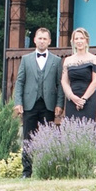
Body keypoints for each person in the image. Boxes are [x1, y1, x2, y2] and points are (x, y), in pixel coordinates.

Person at [13, 26, 62, 164]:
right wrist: (18, 102)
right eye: (39, 38)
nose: (42, 41)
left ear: (49, 41)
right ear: (34, 40)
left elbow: (60, 84)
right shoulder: (26, 59)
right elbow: (20, 82)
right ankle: (27, 170)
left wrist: (59, 104)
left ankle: (45, 167)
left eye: (44, 39)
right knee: (28, 138)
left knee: (47, 137)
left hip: (48, 104)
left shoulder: (56, 61)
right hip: (29, 104)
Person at [61, 27, 96, 123]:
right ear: (73, 41)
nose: (79, 41)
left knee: (87, 128)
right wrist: (72, 96)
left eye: (82, 38)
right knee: (71, 130)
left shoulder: (94, 59)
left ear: (86, 41)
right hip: (72, 99)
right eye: (76, 39)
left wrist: (83, 99)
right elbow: (64, 81)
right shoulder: (68, 60)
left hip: (88, 99)